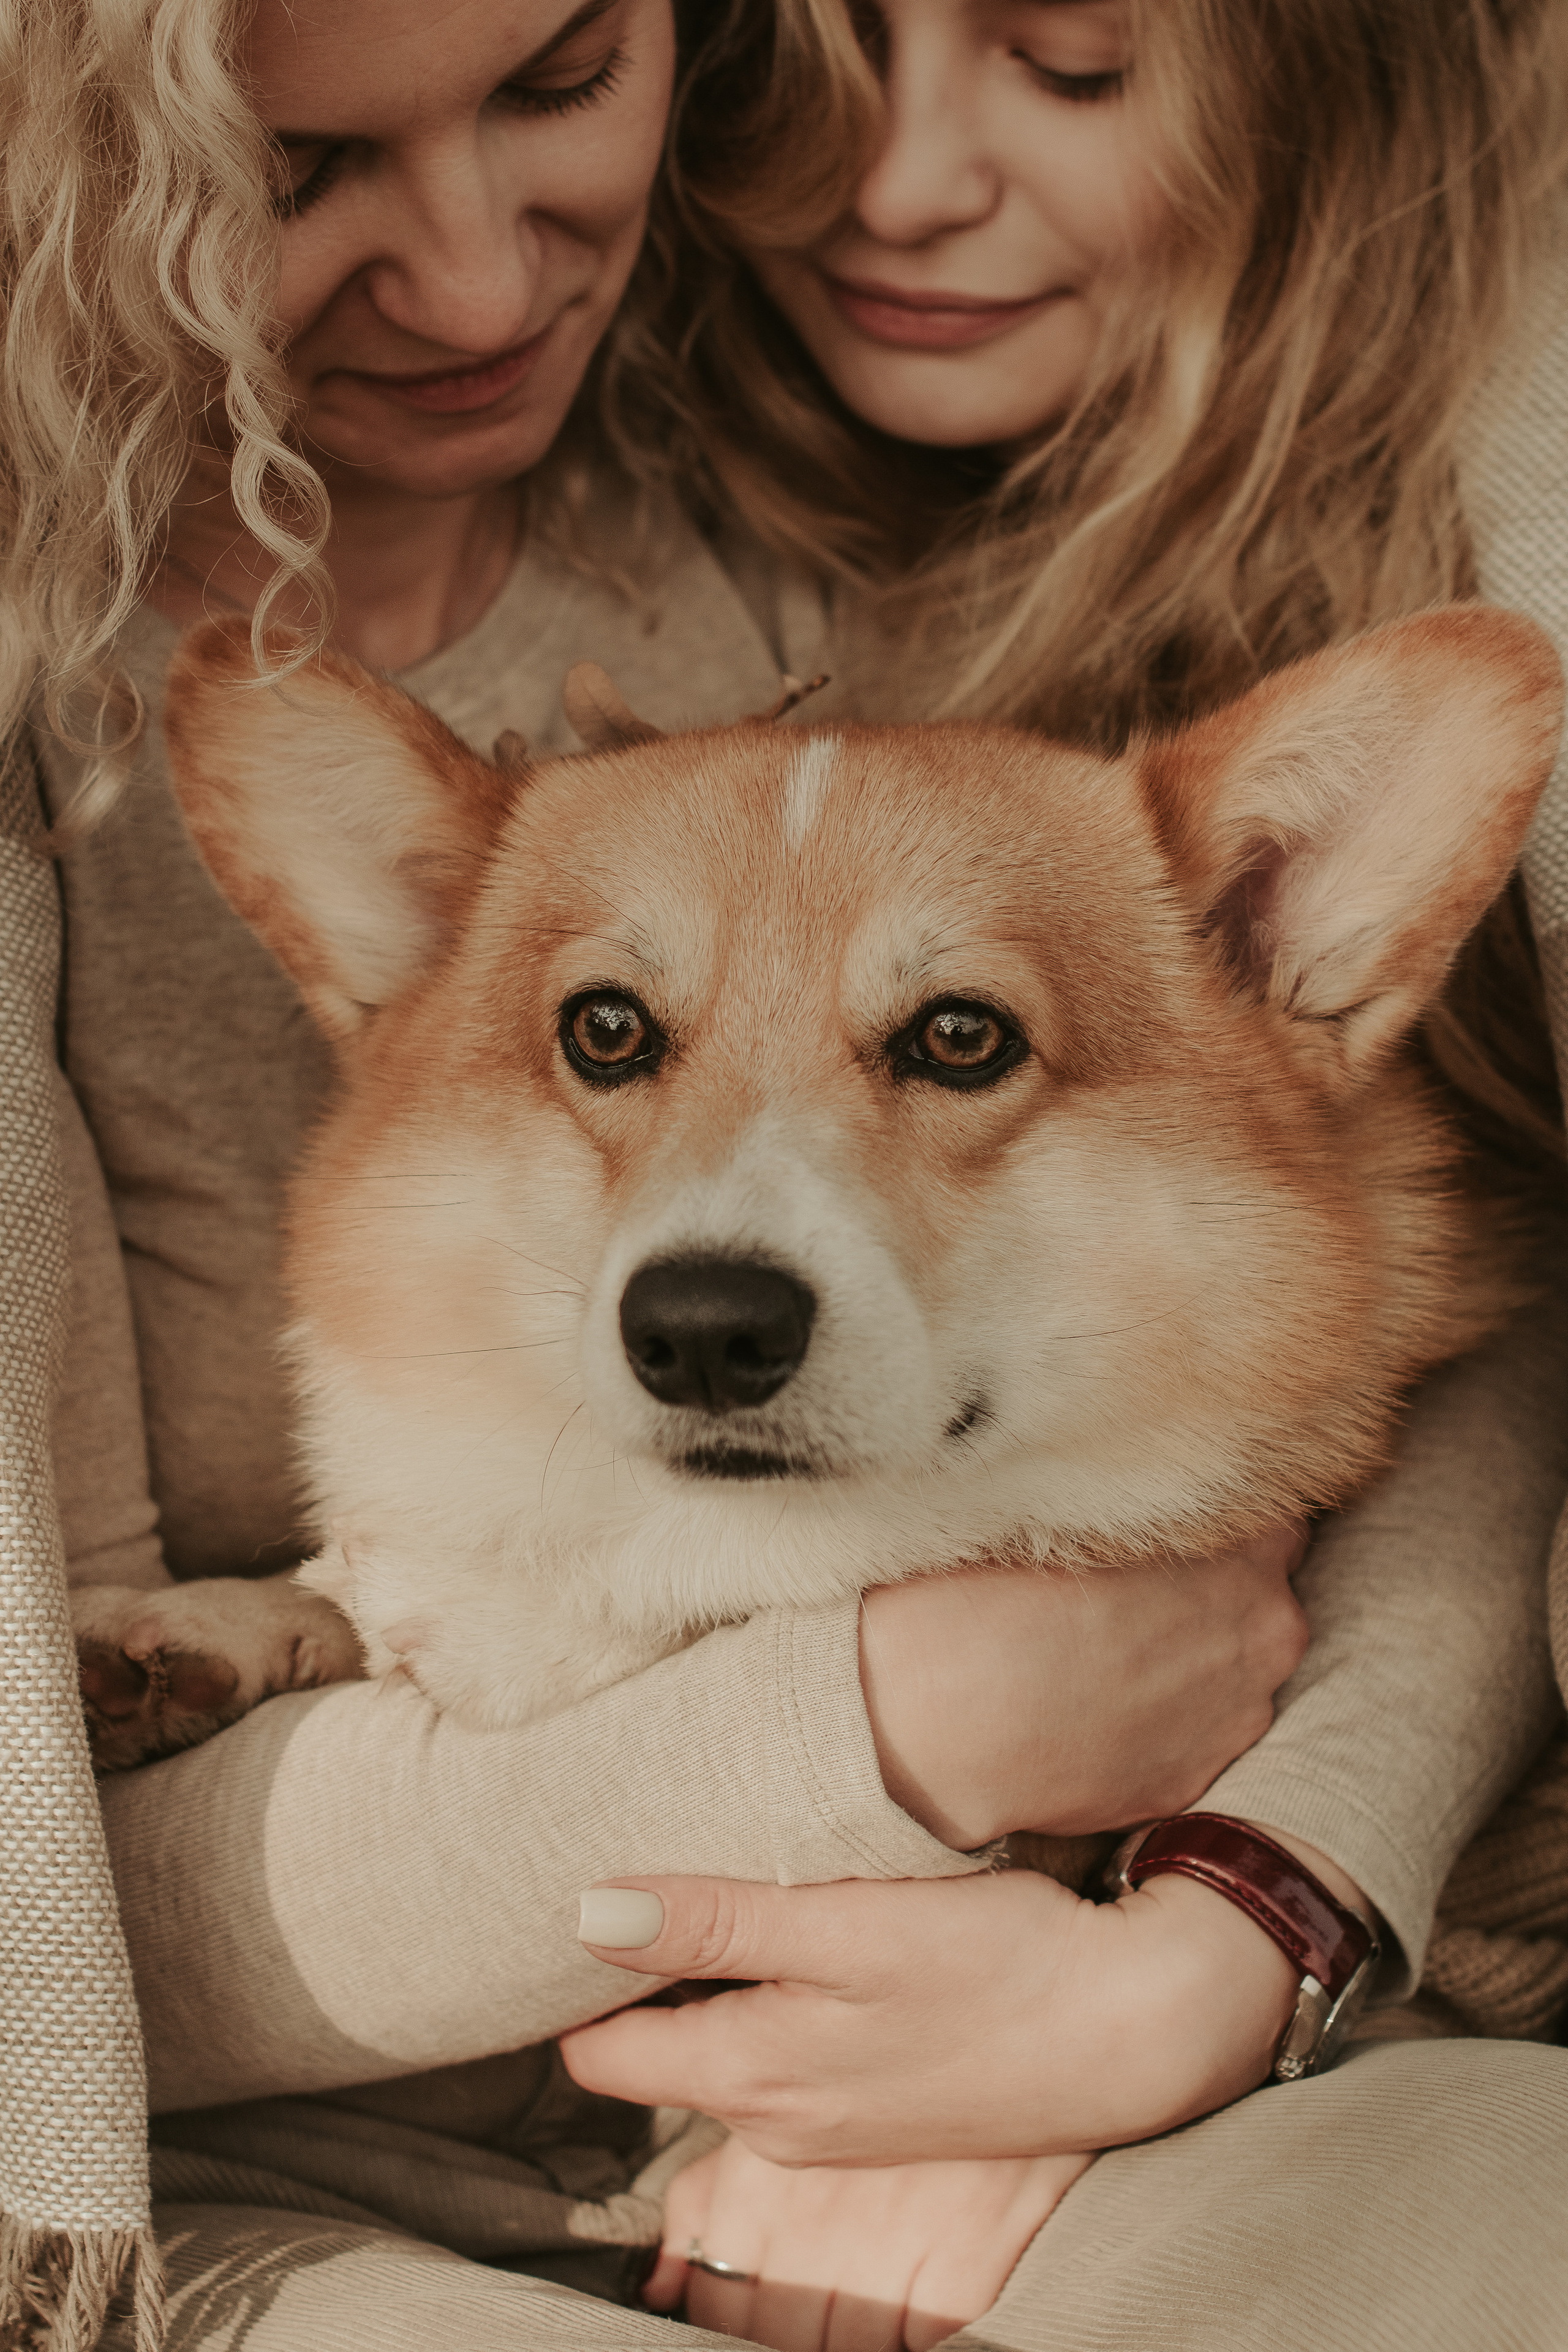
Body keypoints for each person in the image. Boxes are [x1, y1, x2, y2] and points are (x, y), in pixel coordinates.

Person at [0, 4, 1562, 2352]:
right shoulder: (71, 769)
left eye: (556, 86)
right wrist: (895, 1740)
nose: (471, 281)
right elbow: (49, 1935)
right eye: (303, 165)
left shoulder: (913, 465)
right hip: (304, 2188)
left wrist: (1227, 1935)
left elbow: (1436, 1273)